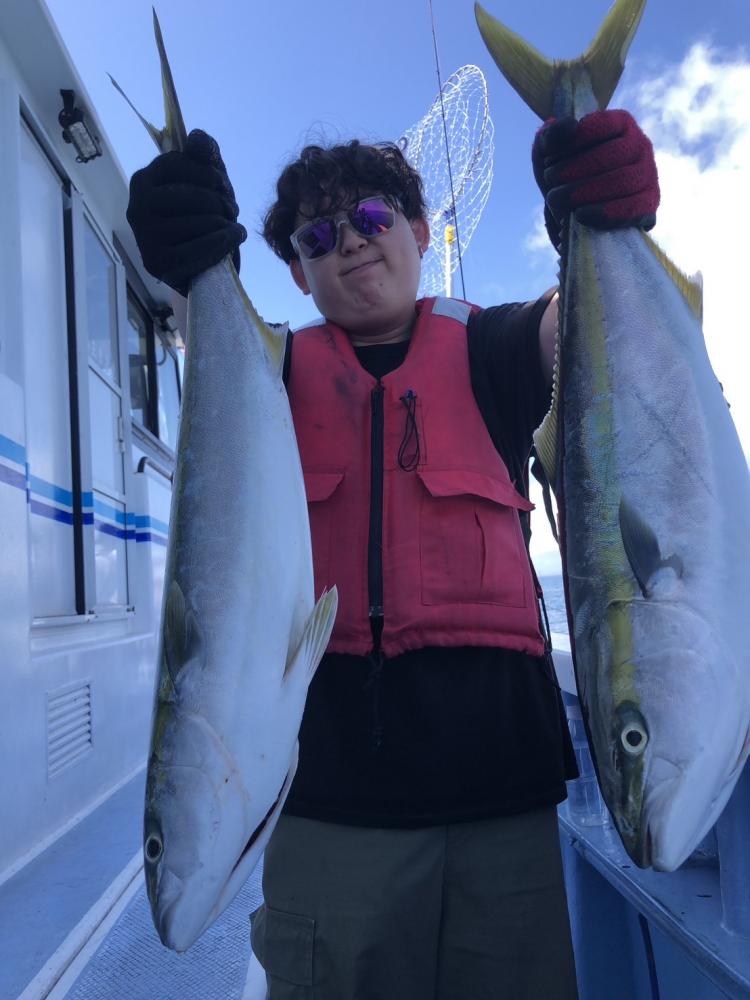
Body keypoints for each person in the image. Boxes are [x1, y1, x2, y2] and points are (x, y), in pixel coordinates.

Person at [127, 109, 659, 999]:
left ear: (418, 230)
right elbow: (210, 362)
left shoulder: (492, 347)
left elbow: (581, 331)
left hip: (502, 802)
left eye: (372, 217)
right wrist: (189, 267)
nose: (349, 241)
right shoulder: (270, 379)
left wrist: (603, 222)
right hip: (330, 808)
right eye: (318, 236)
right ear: (298, 272)